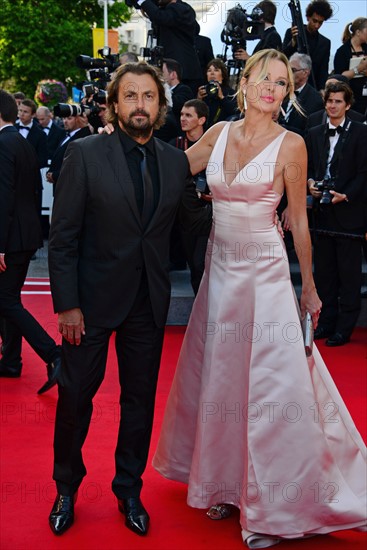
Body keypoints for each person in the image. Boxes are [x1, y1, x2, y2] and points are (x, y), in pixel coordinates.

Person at [152, 49, 367, 548]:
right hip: (219, 276)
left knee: (269, 392)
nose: (271, 88)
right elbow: (171, 172)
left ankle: (271, 502)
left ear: (286, 92)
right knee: (223, 382)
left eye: (280, 82)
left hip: (265, 276)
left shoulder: (292, 145)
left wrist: (309, 286)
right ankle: (225, 482)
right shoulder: (219, 134)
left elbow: (299, 221)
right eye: (262, 79)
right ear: (243, 83)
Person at [47, 61, 207, 537]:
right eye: (131, 96)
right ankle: (66, 489)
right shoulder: (86, 156)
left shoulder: (175, 160)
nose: (141, 105)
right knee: (76, 397)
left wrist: (244, 200)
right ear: (114, 104)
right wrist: (67, 304)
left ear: (161, 105)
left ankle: (129, 489)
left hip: (147, 302)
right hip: (89, 303)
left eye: (149, 96)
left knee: (139, 402)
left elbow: (191, 224)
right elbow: (63, 238)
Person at [0, 89, 61, 393]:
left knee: (5, 300)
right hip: (25, 235)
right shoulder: (22, 143)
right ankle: (10, 361)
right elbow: (34, 189)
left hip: (9, 238)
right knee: (8, 298)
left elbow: (4, 196)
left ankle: (53, 353)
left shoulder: (2, 143)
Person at [306, 81, 367, 346]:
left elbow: (365, 173)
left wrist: (347, 195)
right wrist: (309, 184)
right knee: (325, 275)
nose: (332, 105)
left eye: (338, 101)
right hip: (322, 214)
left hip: (350, 214)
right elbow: (307, 167)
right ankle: (326, 323)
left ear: (348, 105)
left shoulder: (362, 134)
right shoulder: (314, 132)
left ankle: (345, 327)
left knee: (349, 276)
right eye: (330, 101)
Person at [170, 99, 212, 294]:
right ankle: (200, 309)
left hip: (209, 215)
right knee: (195, 267)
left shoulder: (215, 146)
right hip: (184, 216)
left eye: (188, 115)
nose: (183, 119)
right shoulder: (175, 145)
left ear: (201, 119)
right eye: (181, 115)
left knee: (200, 264)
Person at [131, 0, 202, 94]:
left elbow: (160, 17)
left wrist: (143, 1)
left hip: (184, 71)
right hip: (174, 69)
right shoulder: (168, 12)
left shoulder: (181, 8)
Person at [282, 0, 333, 90]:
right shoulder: (292, 33)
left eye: (320, 22)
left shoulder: (325, 43)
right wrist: (293, 43)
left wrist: (321, 90)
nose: (317, 25)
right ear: (308, 17)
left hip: (312, 88)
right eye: (314, 21)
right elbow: (283, 57)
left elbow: (323, 70)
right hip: (290, 85)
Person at [279, 52, 324, 136]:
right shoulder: (280, 90)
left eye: (293, 70)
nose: (289, 74)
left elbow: (310, 133)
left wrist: (282, 128)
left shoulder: (315, 100)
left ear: (305, 73)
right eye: (288, 70)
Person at [46, 111, 91, 186]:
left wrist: (55, 175)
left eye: (69, 118)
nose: (65, 121)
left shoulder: (82, 137)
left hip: (70, 187)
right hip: (60, 185)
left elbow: (76, 165)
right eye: (64, 118)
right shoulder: (67, 134)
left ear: (78, 119)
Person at [333, 17, 367, 116]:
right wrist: (359, 68)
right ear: (358, 32)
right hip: (351, 95)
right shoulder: (342, 51)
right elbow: (340, 76)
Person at [197, 58, 237, 127]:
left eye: (216, 70)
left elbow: (235, 112)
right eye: (209, 71)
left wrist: (222, 97)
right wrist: (198, 99)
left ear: (223, 75)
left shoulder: (231, 93)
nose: (212, 73)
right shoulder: (203, 91)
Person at [162, 58, 193, 126]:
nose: (160, 76)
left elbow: (175, 105)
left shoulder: (184, 90)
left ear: (173, 74)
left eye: (162, 72)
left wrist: (164, 88)